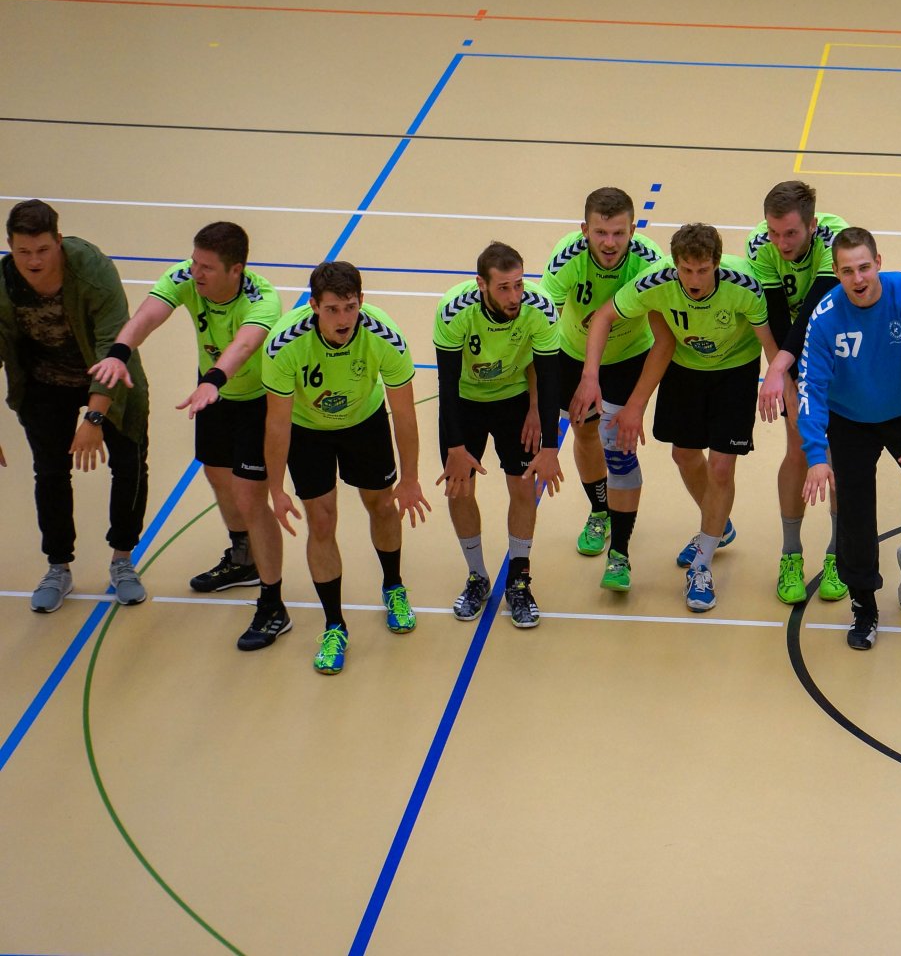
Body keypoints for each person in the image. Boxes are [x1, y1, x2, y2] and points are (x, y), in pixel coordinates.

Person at [89, 221, 289, 650]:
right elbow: (148, 316)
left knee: (251, 498)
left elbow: (243, 347)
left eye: (206, 267)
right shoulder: (187, 276)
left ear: (236, 270)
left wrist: (213, 380)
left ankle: (273, 605)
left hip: (257, 398)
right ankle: (243, 558)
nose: (195, 272)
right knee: (217, 474)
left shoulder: (263, 300)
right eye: (195, 262)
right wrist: (119, 353)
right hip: (212, 390)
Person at [573, 222, 778, 613]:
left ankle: (701, 565)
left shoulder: (744, 284)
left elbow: (769, 343)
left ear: (717, 263)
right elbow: (603, 316)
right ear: (675, 264)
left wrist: (776, 381)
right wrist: (592, 377)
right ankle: (719, 526)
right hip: (685, 368)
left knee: (721, 468)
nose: (694, 280)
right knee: (683, 455)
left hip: (735, 370)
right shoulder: (657, 280)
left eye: (703, 270)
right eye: (686, 270)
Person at [262, 261, 431, 675]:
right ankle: (334, 626)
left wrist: (410, 479)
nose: (343, 319)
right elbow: (277, 424)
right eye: (333, 309)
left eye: (351, 307)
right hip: (308, 430)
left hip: (364, 422)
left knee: (382, 505)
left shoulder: (384, 336)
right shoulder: (284, 345)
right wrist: (276, 489)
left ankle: (393, 587)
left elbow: (404, 414)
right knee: (321, 521)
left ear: (362, 302)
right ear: (314, 306)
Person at [789, 227, 901, 651]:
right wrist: (816, 455)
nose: (858, 279)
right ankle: (864, 604)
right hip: (849, 420)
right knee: (855, 513)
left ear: (878, 262)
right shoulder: (825, 317)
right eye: (847, 271)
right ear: (836, 272)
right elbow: (811, 388)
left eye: (864, 267)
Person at [0, 199, 149, 611]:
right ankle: (58, 566)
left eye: (43, 250)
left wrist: (95, 416)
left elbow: (112, 346)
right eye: (23, 251)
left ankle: (123, 560)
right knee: (50, 472)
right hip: (44, 384)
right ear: (10, 246)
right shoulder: (3, 284)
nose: (33, 261)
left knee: (129, 465)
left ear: (59, 242)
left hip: (112, 375)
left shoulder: (93, 271)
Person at [433, 241, 564, 628]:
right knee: (459, 488)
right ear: (482, 285)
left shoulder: (540, 309)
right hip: (465, 401)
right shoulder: (454, 311)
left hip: (514, 398)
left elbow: (550, 377)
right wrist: (455, 446)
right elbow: (447, 385)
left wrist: (549, 444)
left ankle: (518, 581)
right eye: (504, 288)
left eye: (518, 285)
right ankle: (477, 577)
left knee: (523, 487)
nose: (514, 296)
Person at [542, 187, 663, 592]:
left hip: (630, 354)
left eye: (618, 233)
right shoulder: (566, 258)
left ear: (633, 230)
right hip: (574, 353)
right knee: (585, 431)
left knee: (619, 445)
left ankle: (620, 553)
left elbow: (665, 329)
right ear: (584, 231)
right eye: (600, 233)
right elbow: (544, 321)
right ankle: (600, 511)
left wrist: (639, 402)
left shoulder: (649, 261)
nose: (609, 243)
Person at [747, 181, 849, 605]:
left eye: (790, 233)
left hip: (838, 343)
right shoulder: (761, 245)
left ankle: (839, 553)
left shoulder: (835, 237)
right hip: (790, 347)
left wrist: (785, 369)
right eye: (774, 232)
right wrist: (785, 377)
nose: (781, 242)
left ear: (811, 224)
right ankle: (791, 553)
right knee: (799, 449)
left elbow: (815, 310)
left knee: (838, 452)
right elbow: (774, 316)